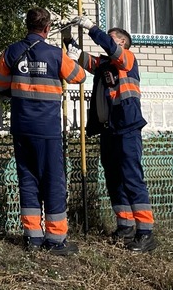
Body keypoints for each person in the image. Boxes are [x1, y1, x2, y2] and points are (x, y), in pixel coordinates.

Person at [0, 6, 87, 256]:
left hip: (22, 127)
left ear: (27, 25)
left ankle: (32, 237)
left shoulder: (12, 51)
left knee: (28, 179)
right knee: (53, 180)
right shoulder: (56, 54)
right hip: (47, 129)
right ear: (47, 28)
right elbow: (79, 76)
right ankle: (55, 239)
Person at [67, 16, 156, 253]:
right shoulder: (106, 65)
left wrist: (92, 29)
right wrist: (68, 37)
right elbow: (86, 60)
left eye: (113, 37)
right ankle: (125, 227)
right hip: (109, 131)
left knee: (132, 178)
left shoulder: (127, 59)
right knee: (114, 179)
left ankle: (145, 232)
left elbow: (110, 47)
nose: (109, 39)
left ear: (123, 43)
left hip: (127, 128)